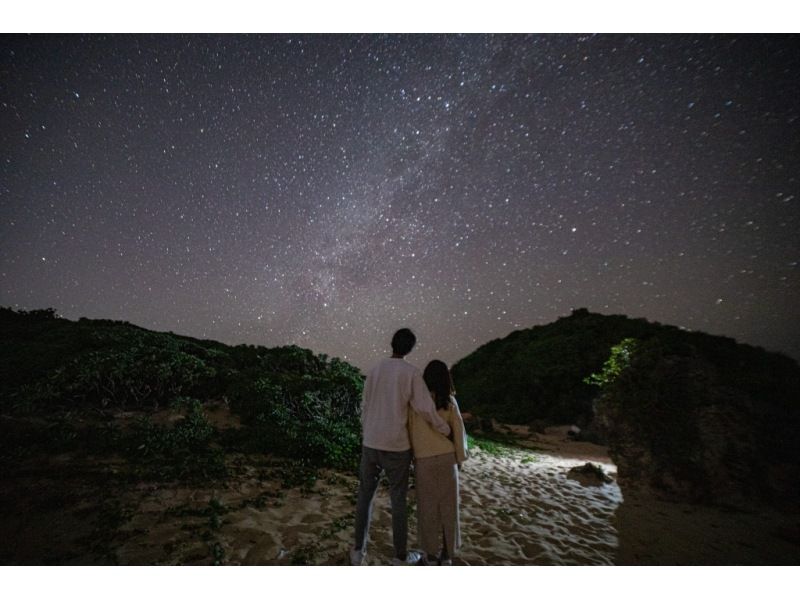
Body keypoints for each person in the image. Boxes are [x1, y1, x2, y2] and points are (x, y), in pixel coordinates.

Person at [351, 328, 452, 566]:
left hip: (370, 443)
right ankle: (399, 555)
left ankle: (358, 550)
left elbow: (364, 407)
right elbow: (425, 408)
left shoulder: (374, 370)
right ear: (410, 348)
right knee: (398, 501)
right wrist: (445, 429)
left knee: (364, 497)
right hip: (397, 446)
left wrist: (367, 431)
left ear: (391, 343)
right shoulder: (411, 373)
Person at [408, 360, 468, 565]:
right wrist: (460, 458)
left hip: (424, 460)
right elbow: (459, 431)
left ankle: (430, 555)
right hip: (447, 459)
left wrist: (411, 456)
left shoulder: (416, 402)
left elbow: (410, 429)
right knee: (448, 509)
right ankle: (447, 555)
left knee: (427, 508)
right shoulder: (449, 402)